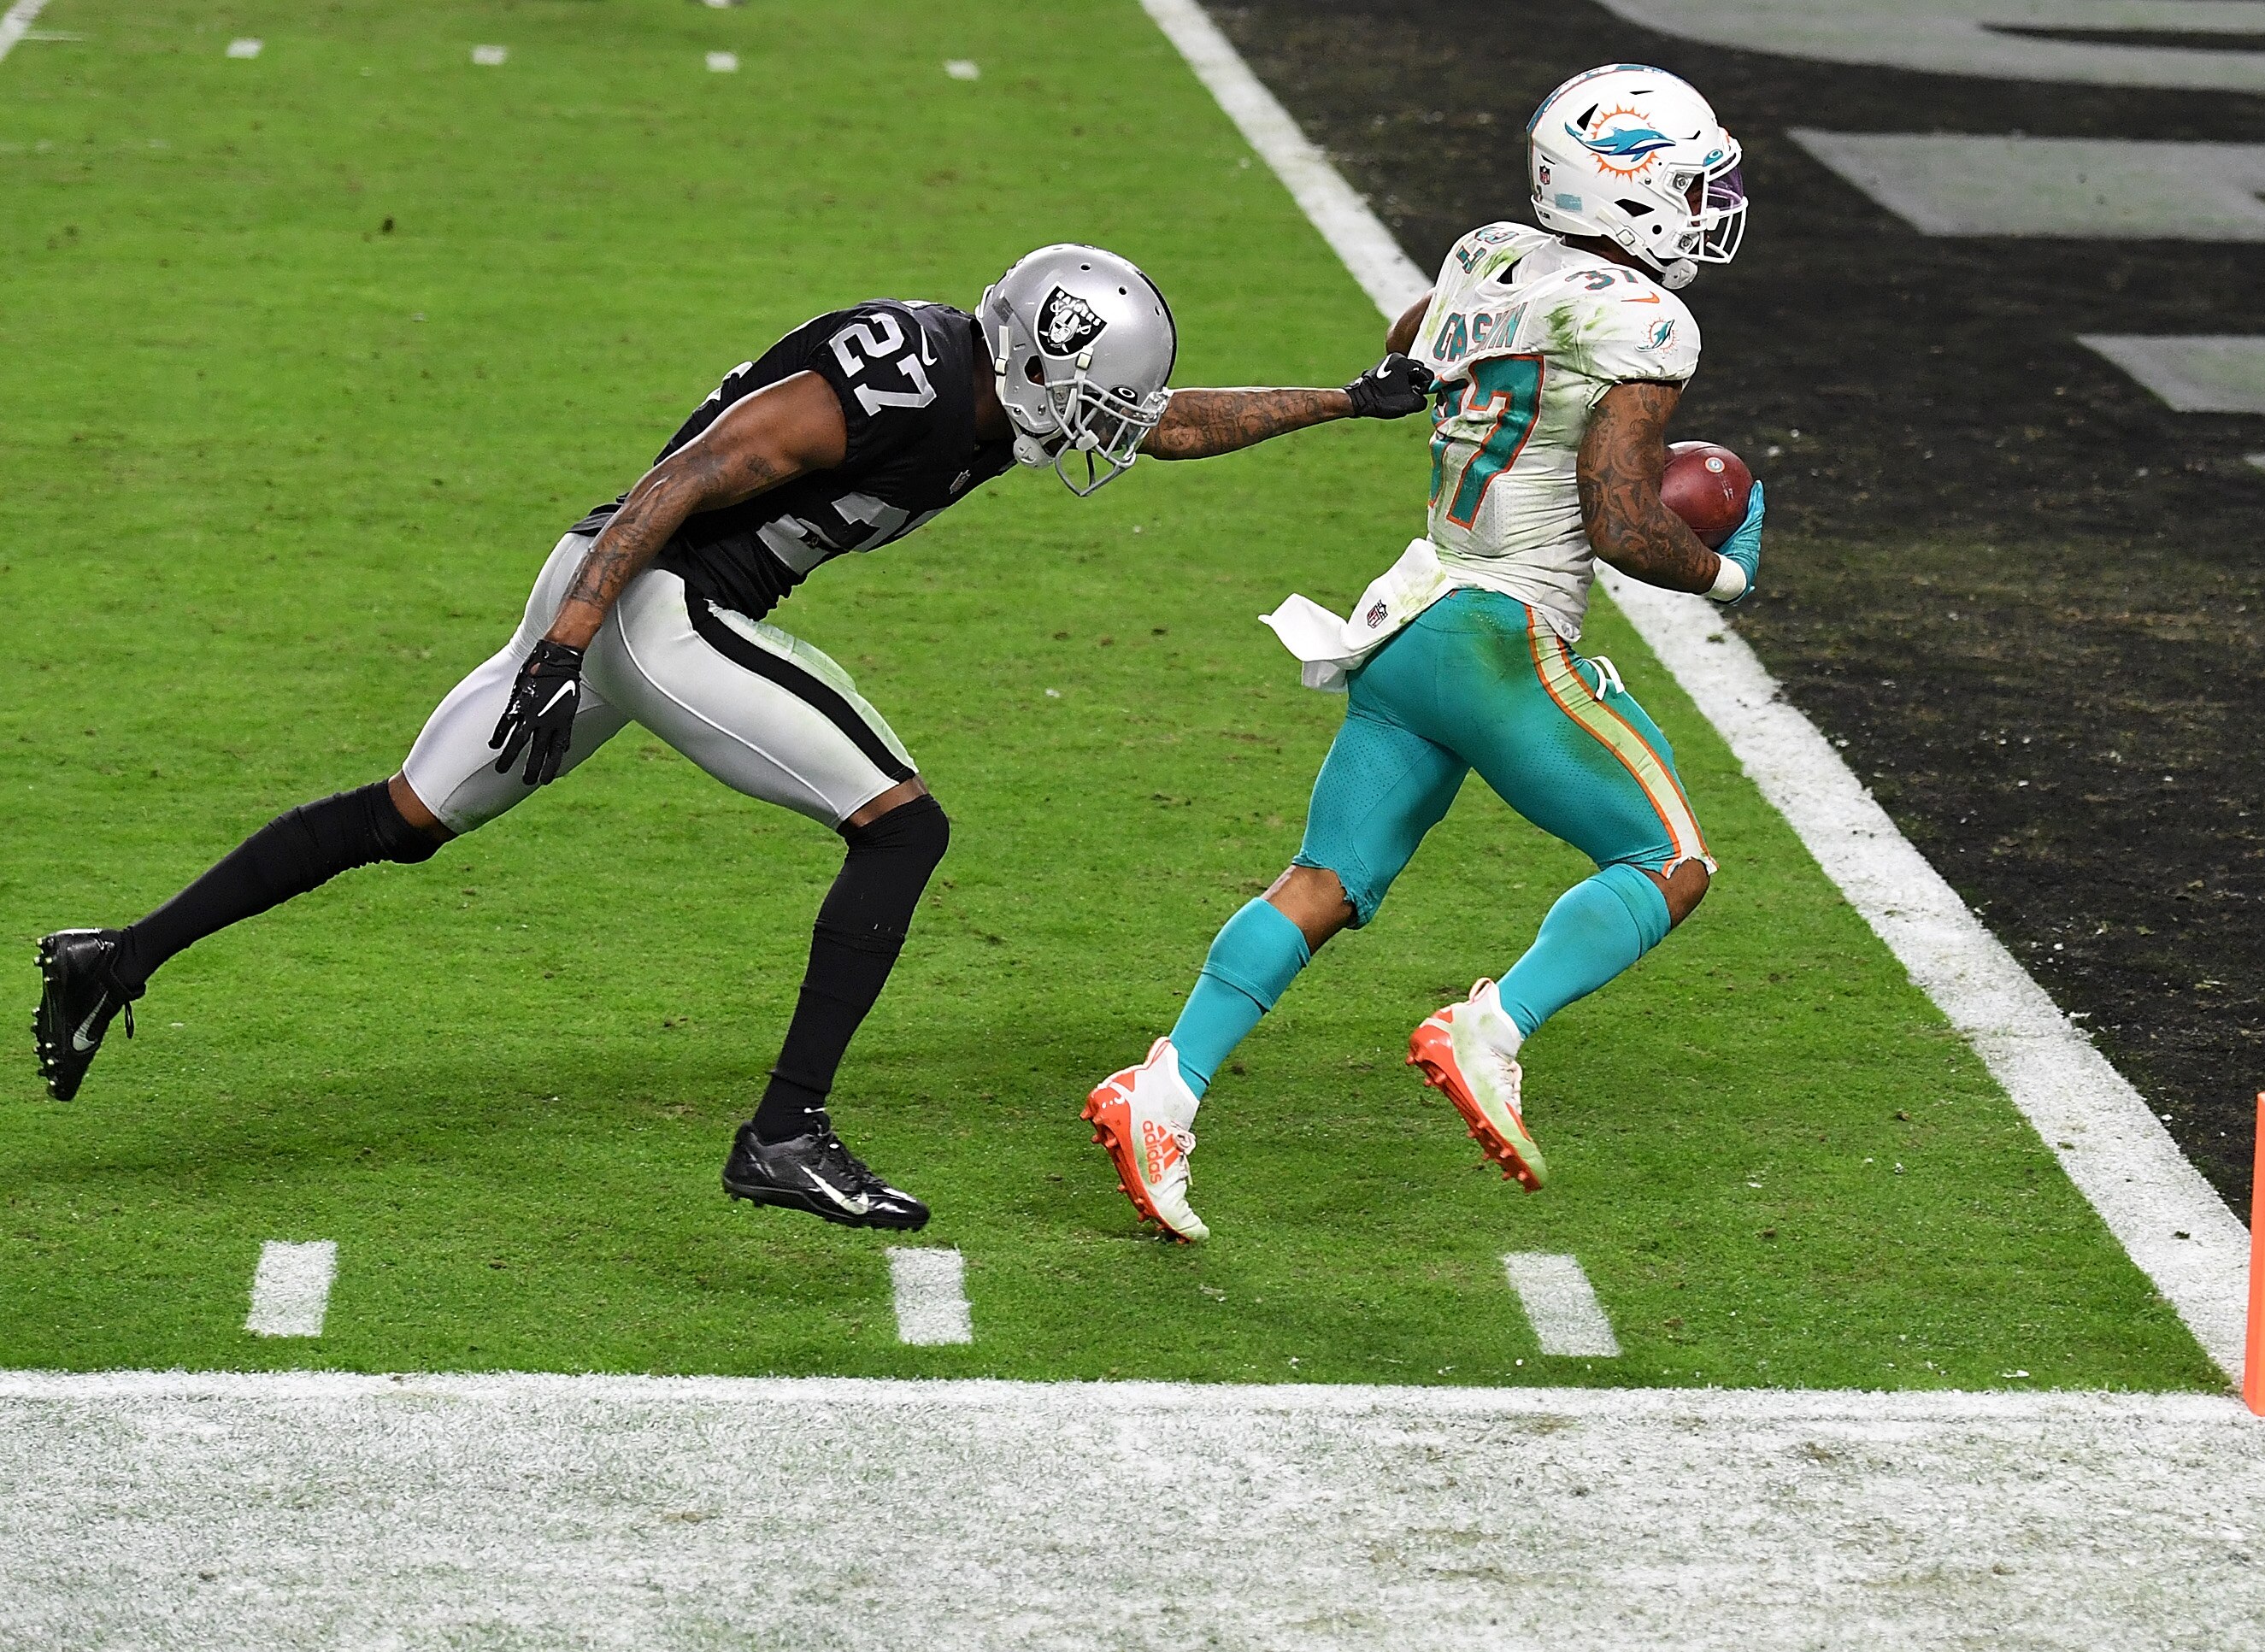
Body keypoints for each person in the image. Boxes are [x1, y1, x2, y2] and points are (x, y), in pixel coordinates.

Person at [32, 243, 1436, 1232]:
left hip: (628, 596)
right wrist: (574, 639)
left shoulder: (999, 383)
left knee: (403, 819)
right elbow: (683, 480)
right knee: (905, 825)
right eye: (1093, 399)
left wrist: (1344, 400)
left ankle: (114, 957)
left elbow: (1168, 425)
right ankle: (783, 1134)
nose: (1102, 435)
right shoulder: (894, 378)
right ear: (1037, 357)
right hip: (653, 597)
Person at [1083, 67, 1768, 1242]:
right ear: (1634, 190)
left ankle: (1163, 1091)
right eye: (1689, 178)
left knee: (1324, 881)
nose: (1709, 200)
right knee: (1669, 861)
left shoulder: (1487, 250)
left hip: (1407, 623)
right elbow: (1620, 520)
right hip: (1502, 639)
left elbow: (1413, 348)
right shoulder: (1650, 320)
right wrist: (1725, 569)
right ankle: (1489, 1030)